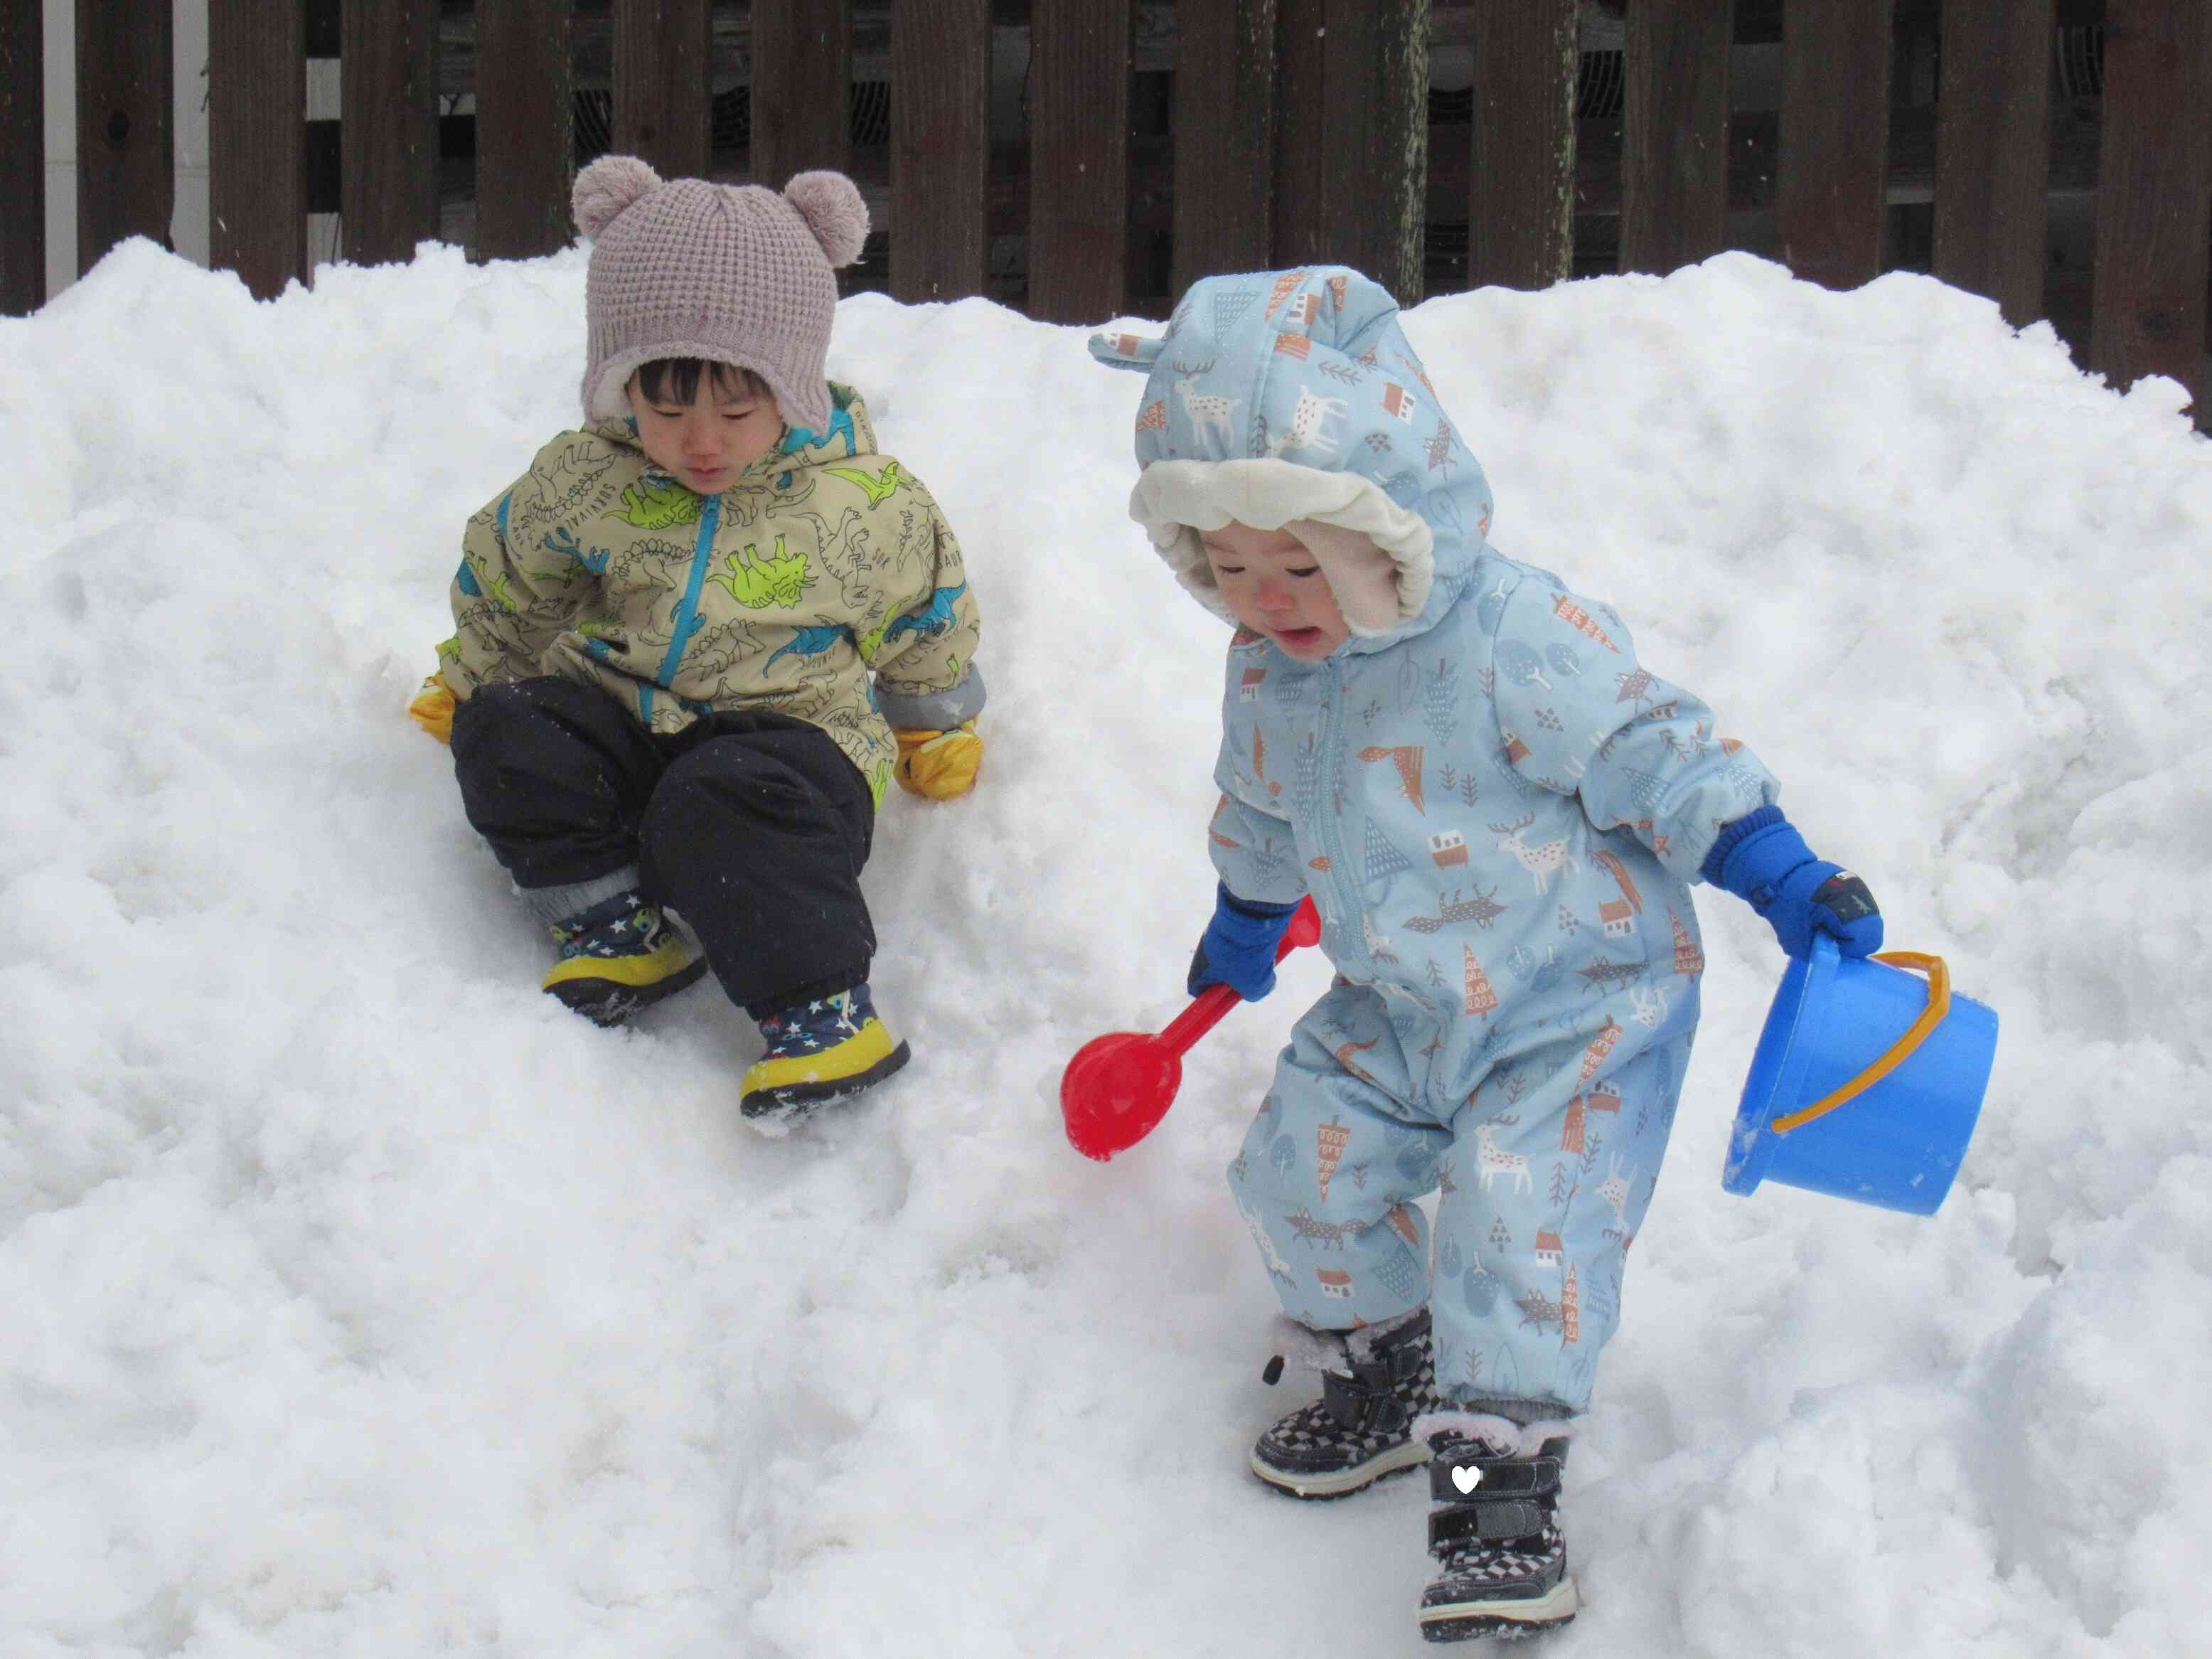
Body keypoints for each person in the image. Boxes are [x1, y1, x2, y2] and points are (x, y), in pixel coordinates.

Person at [1089, 267, 1880, 1643]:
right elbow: (1263, 800)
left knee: (1522, 1230)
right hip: (1400, 998)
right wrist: (1248, 910)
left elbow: (1652, 744)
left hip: (1578, 999)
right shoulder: (1269, 668)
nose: (1265, 599)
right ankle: (1392, 1363)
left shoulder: (1514, 632)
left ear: (1384, 524)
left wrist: (1772, 863)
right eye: (1225, 567)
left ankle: (1494, 1485)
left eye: (1297, 564)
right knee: (1296, 1167)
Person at [408, 155, 985, 1119]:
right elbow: (513, 575)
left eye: (737, 407)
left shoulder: (864, 500)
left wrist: (932, 720)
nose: (702, 441)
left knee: (721, 809)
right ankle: (612, 921)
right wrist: (473, 677)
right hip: (626, 715)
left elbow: (927, 608)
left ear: (793, 388)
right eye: (666, 408)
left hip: (787, 748)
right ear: (620, 385)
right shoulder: (588, 477)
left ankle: (823, 1009)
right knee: (511, 730)